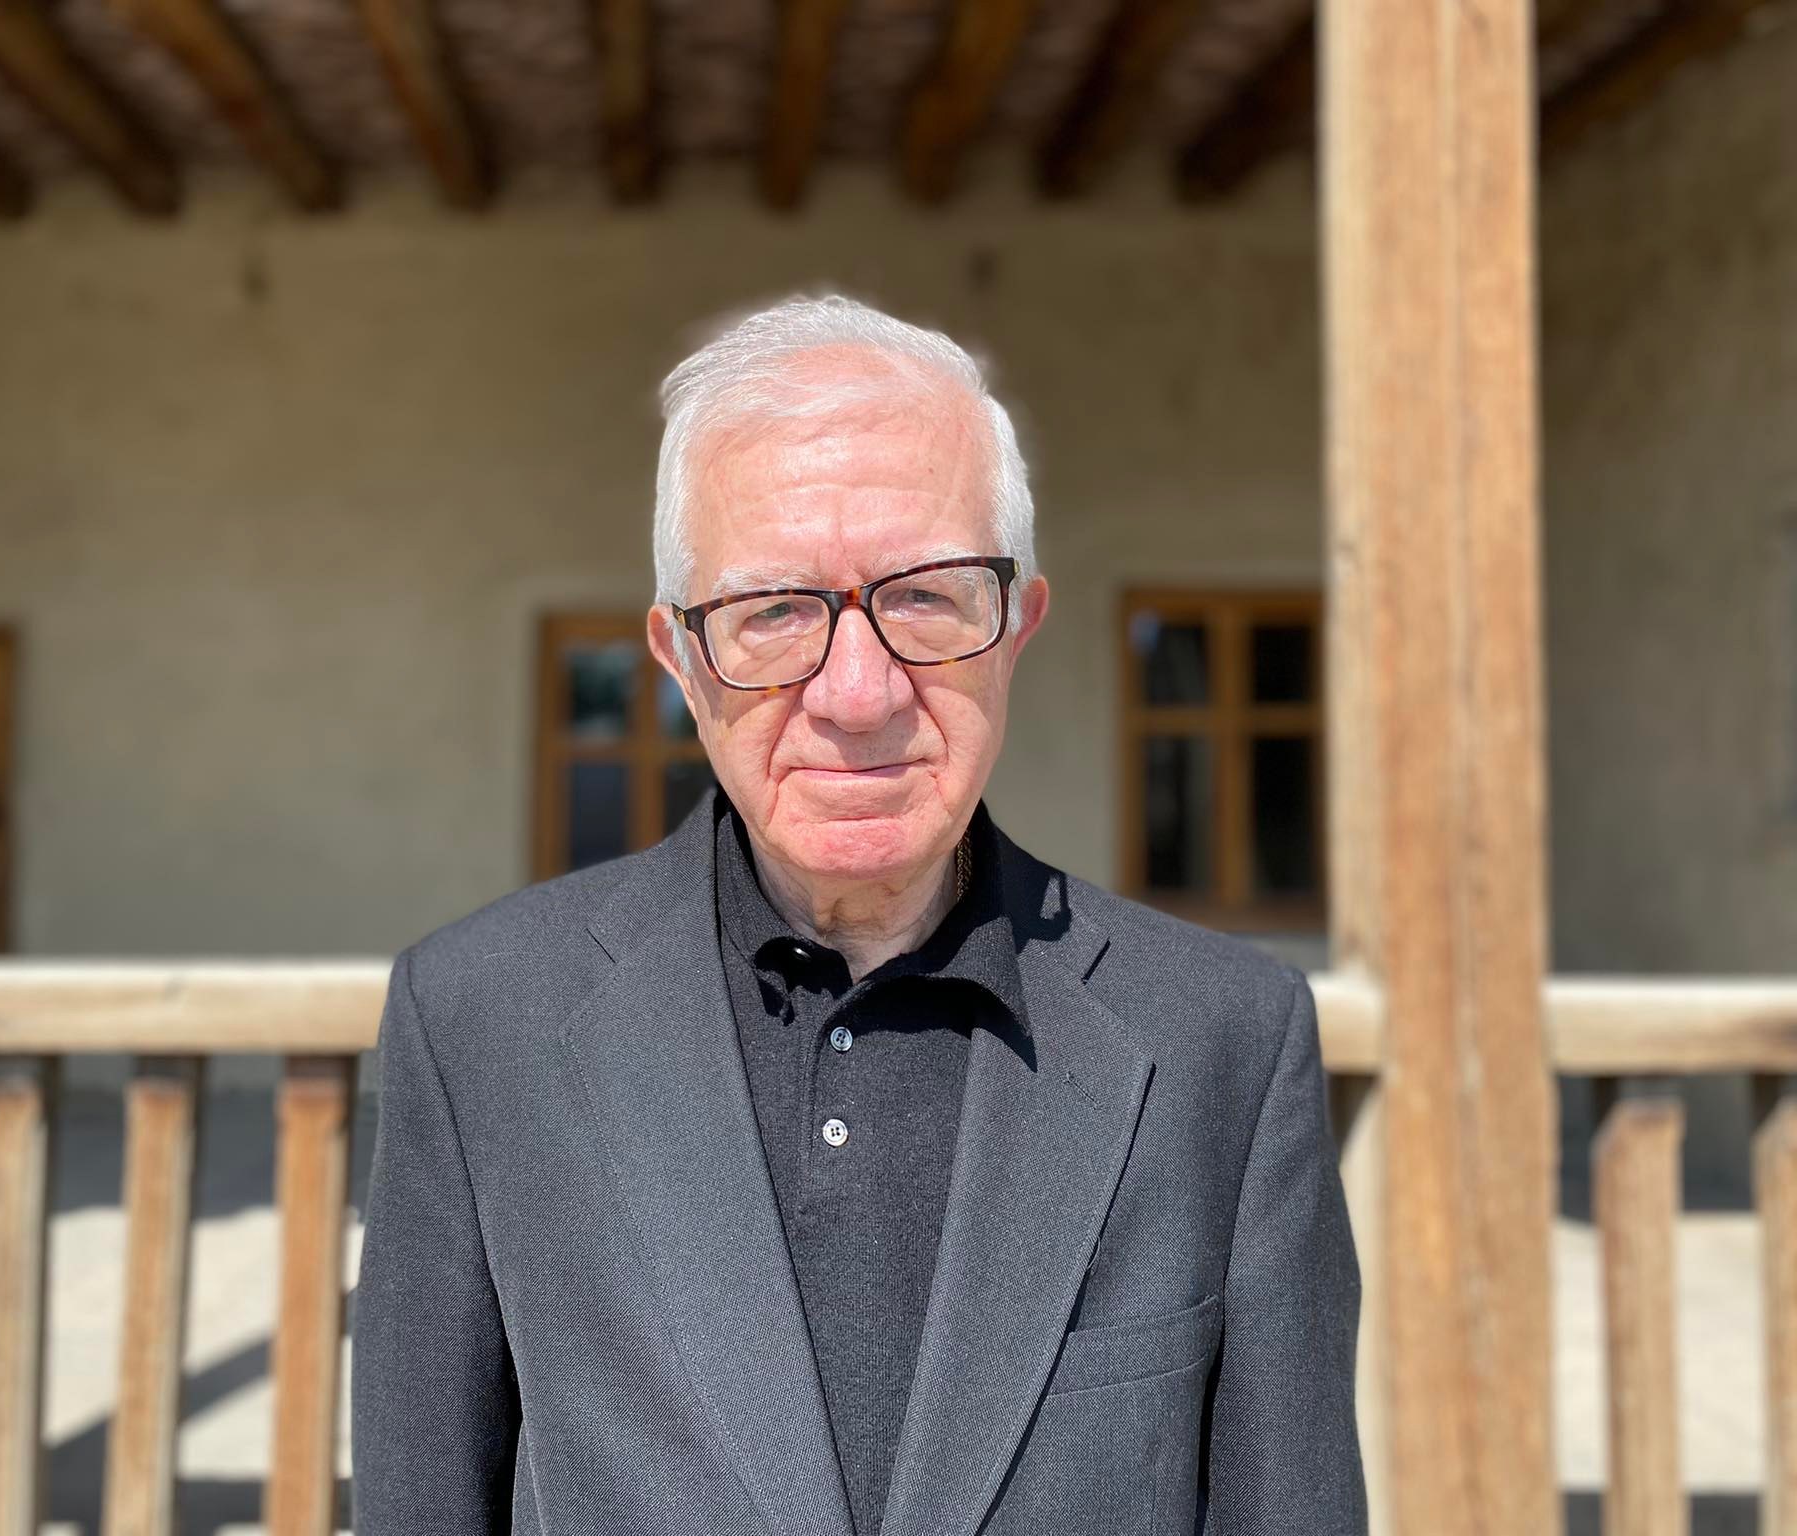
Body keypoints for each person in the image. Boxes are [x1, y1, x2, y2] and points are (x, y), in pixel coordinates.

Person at [350, 294, 1367, 1536]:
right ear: (677, 658)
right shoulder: (479, 1024)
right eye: (774, 611)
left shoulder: (1225, 1044)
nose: (857, 693)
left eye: (927, 597)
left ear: (1015, 627)